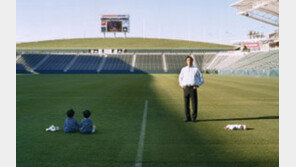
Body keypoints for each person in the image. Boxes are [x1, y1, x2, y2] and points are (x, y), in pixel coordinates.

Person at [179, 56, 204, 122]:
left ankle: (194, 118)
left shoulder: (196, 69)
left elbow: (201, 79)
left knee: (194, 104)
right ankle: (188, 118)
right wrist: (181, 85)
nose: (189, 61)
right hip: (186, 88)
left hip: (193, 88)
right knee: (186, 104)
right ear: (186, 61)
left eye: (190, 60)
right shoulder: (183, 69)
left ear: (192, 61)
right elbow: (180, 78)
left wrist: (197, 85)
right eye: (188, 60)